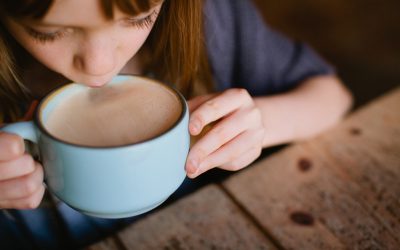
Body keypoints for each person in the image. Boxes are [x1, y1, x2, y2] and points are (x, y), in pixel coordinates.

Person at [0, 0, 353, 248]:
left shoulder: (212, 19)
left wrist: (258, 124)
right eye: (47, 32)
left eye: (139, 17)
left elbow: (333, 95)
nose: (98, 64)